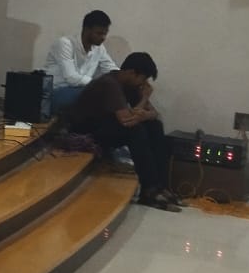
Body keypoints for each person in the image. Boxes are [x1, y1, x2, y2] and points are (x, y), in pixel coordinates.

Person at [66, 52, 181, 212]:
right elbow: (127, 121)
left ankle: (161, 186)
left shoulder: (129, 85)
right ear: (132, 73)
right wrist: (144, 100)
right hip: (86, 133)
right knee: (135, 131)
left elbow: (153, 114)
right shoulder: (109, 84)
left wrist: (143, 114)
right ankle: (148, 190)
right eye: (143, 79)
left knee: (155, 126)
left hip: (107, 127)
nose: (144, 83)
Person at [44, 9, 119, 113]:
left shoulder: (99, 48)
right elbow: (71, 78)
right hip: (57, 92)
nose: (103, 38)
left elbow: (111, 69)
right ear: (86, 29)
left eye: (105, 34)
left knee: (116, 92)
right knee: (99, 96)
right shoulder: (65, 43)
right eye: (99, 33)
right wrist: (100, 85)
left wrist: (124, 79)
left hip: (81, 90)